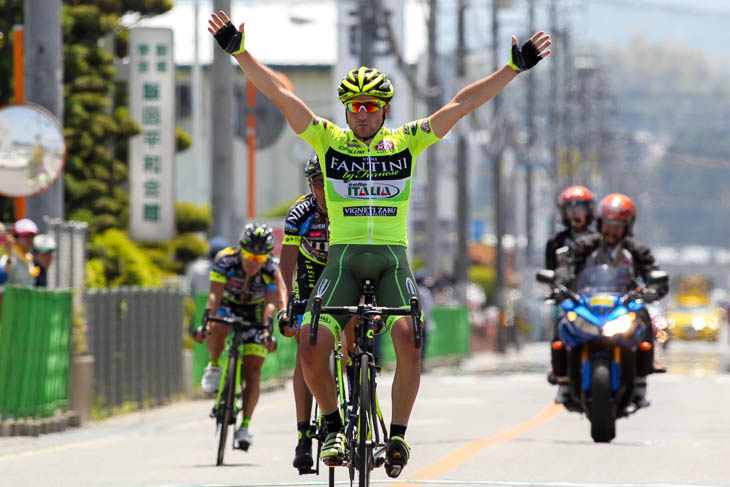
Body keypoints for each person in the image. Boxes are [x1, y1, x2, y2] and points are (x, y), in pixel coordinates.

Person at [208, 10, 550, 477]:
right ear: (346, 111)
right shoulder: (329, 141)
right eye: (355, 106)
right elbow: (281, 94)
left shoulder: (405, 143)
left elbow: (461, 103)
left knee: (410, 340)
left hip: (392, 260)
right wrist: (239, 52)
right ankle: (331, 425)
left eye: (372, 106)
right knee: (311, 346)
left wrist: (512, 68)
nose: (363, 113)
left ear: (385, 110)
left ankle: (398, 437)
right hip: (343, 260)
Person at [554, 193, 668, 408]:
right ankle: (564, 381)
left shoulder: (636, 251)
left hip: (624, 304)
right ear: (599, 223)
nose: (612, 230)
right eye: (608, 224)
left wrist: (651, 291)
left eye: (618, 225)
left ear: (628, 226)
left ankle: (641, 380)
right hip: (588, 302)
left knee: (644, 322)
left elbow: (655, 275)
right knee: (562, 323)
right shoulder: (584, 246)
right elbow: (565, 267)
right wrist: (560, 285)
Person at [195, 222, 284, 450]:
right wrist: (207, 322)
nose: (252, 263)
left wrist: (267, 329)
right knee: (218, 326)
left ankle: (244, 426)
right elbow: (214, 296)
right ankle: (215, 366)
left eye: (258, 259)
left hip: (255, 313)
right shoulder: (225, 260)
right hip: (229, 306)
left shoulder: (271, 269)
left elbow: (270, 304)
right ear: (240, 249)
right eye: (249, 256)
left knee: (253, 371)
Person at [277, 154, 331, 473]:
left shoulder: (349, 207)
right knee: (305, 350)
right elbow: (286, 267)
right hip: (310, 284)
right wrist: (286, 307)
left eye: (329, 183)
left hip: (342, 278)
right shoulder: (302, 213)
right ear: (310, 185)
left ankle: (352, 404)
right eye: (318, 184)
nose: (325, 190)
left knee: (355, 337)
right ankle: (303, 436)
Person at [544, 185, 595, 402]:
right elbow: (551, 272)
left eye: (580, 207)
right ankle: (562, 377)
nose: (575, 213)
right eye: (570, 208)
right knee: (559, 325)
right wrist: (557, 289)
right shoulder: (556, 242)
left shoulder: (601, 238)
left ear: (589, 210)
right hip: (569, 298)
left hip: (598, 296)